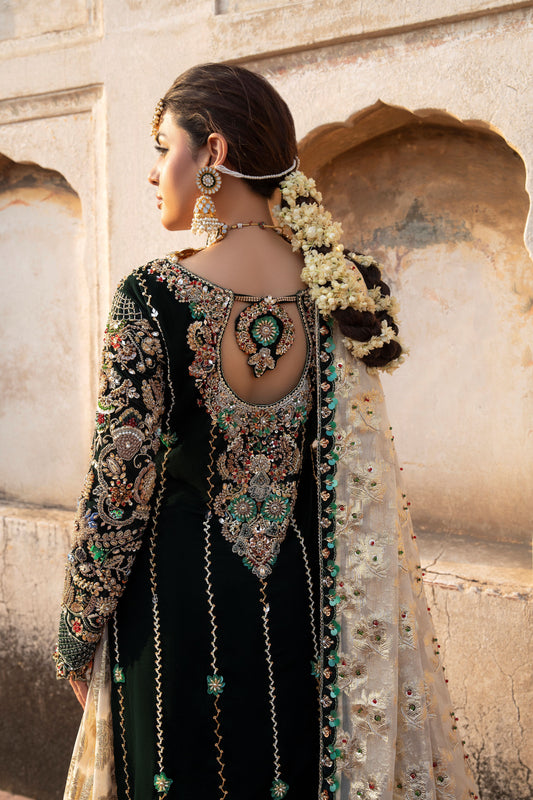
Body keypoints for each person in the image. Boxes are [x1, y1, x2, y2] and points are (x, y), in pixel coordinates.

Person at [54, 63, 478, 800]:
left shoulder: (151, 296)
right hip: (304, 601)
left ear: (212, 154)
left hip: (174, 605)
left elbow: (117, 487)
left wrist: (77, 629)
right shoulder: (337, 291)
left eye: (163, 147)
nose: (154, 172)